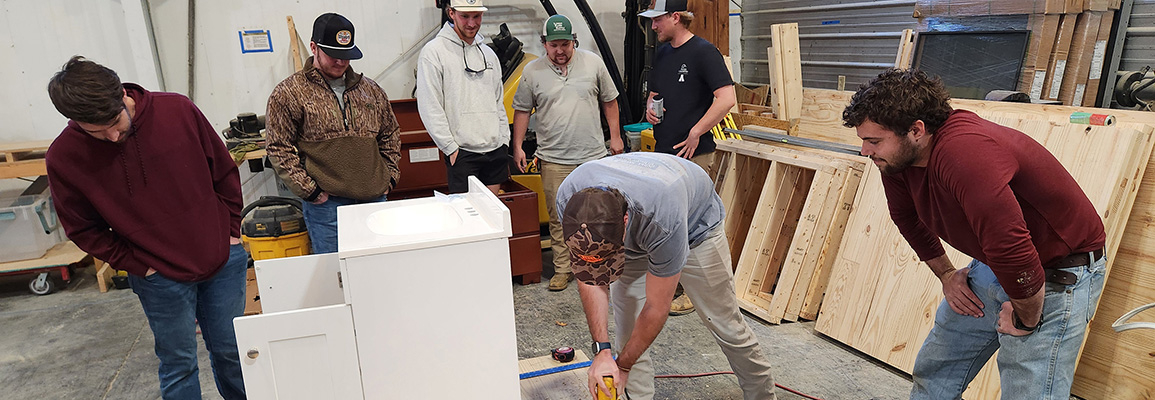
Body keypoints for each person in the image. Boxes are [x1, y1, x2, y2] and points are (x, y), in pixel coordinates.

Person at [843, 69, 1106, 399]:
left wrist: (1027, 316)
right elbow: (906, 217)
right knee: (936, 369)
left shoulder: (964, 154)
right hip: (995, 261)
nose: (865, 151)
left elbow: (1011, 245)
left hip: (1059, 273)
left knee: (1029, 392)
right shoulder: (898, 160)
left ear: (916, 130)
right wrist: (947, 274)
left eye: (874, 141)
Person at [45, 56, 247, 399]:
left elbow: (224, 171)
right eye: (96, 131)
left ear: (122, 94)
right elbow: (81, 228)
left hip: (222, 259)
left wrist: (231, 231)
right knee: (179, 365)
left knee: (234, 354)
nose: (111, 136)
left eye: (113, 121)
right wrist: (139, 265)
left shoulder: (178, 111)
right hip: (159, 278)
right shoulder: (64, 157)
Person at [557, 152, 777, 400]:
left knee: (724, 323)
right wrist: (602, 352)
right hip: (638, 220)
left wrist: (624, 365)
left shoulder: (662, 218)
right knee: (627, 328)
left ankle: (762, 395)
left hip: (695, 230)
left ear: (625, 221)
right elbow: (590, 278)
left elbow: (656, 307)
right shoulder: (569, 200)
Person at [265, 12, 402, 254]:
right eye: (333, 55)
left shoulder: (370, 90)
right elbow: (278, 147)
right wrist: (311, 191)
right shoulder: (288, 93)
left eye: (347, 56)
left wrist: (389, 178)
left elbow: (390, 134)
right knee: (334, 273)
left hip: (374, 199)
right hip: (328, 207)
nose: (341, 62)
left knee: (379, 267)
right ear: (313, 48)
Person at [511, 14, 624, 292]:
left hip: (592, 157)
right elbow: (522, 110)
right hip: (553, 158)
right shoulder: (532, 72)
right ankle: (563, 269)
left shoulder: (593, 63)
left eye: (565, 44)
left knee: (600, 214)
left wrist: (616, 136)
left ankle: (600, 265)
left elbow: (610, 101)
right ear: (544, 44)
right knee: (560, 216)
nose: (559, 51)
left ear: (574, 41)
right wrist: (518, 146)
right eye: (553, 45)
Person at [640, 0, 736, 316]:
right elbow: (655, 94)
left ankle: (697, 292)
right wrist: (650, 111)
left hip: (694, 155)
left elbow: (727, 98)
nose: (653, 27)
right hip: (665, 152)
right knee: (670, 224)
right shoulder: (664, 53)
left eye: (657, 21)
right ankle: (674, 285)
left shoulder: (704, 53)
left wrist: (697, 131)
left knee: (694, 226)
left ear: (676, 18)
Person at [416, 0, 511, 194]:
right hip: (462, 153)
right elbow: (430, 106)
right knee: (468, 219)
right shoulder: (433, 53)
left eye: (476, 16)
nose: (471, 23)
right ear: (451, 13)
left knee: (492, 217)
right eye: (465, 16)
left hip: (494, 149)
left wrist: (503, 140)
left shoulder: (489, 54)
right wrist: (450, 147)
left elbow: (498, 101)